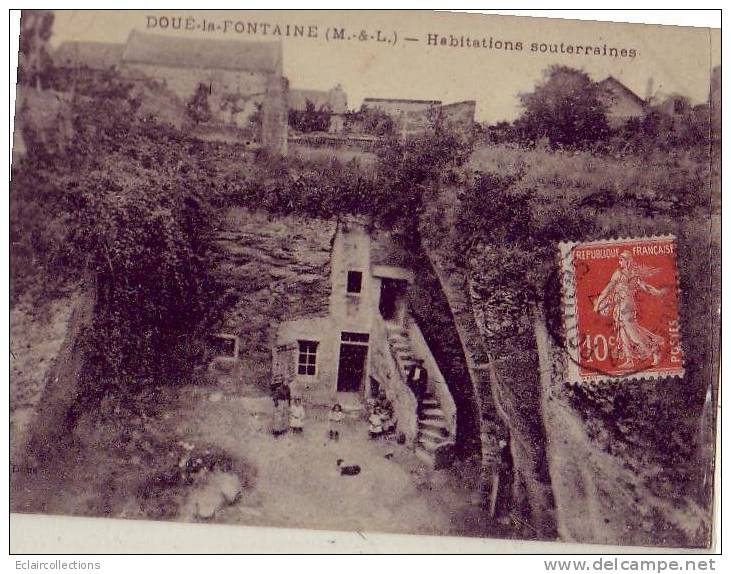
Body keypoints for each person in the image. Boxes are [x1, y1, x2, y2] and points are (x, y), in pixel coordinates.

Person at [593, 251, 667, 369]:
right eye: (619, 260)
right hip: (619, 308)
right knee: (624, 335)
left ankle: (654, 350)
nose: (619, 262)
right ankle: (629, 360)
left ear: (628, 261)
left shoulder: (634, 275)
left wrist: (658, 292)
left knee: (633, 335)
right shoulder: (618, 274)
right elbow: (607, 289)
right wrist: (598, 304)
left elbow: (646, 287)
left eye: (621, 260)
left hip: (628, 307)